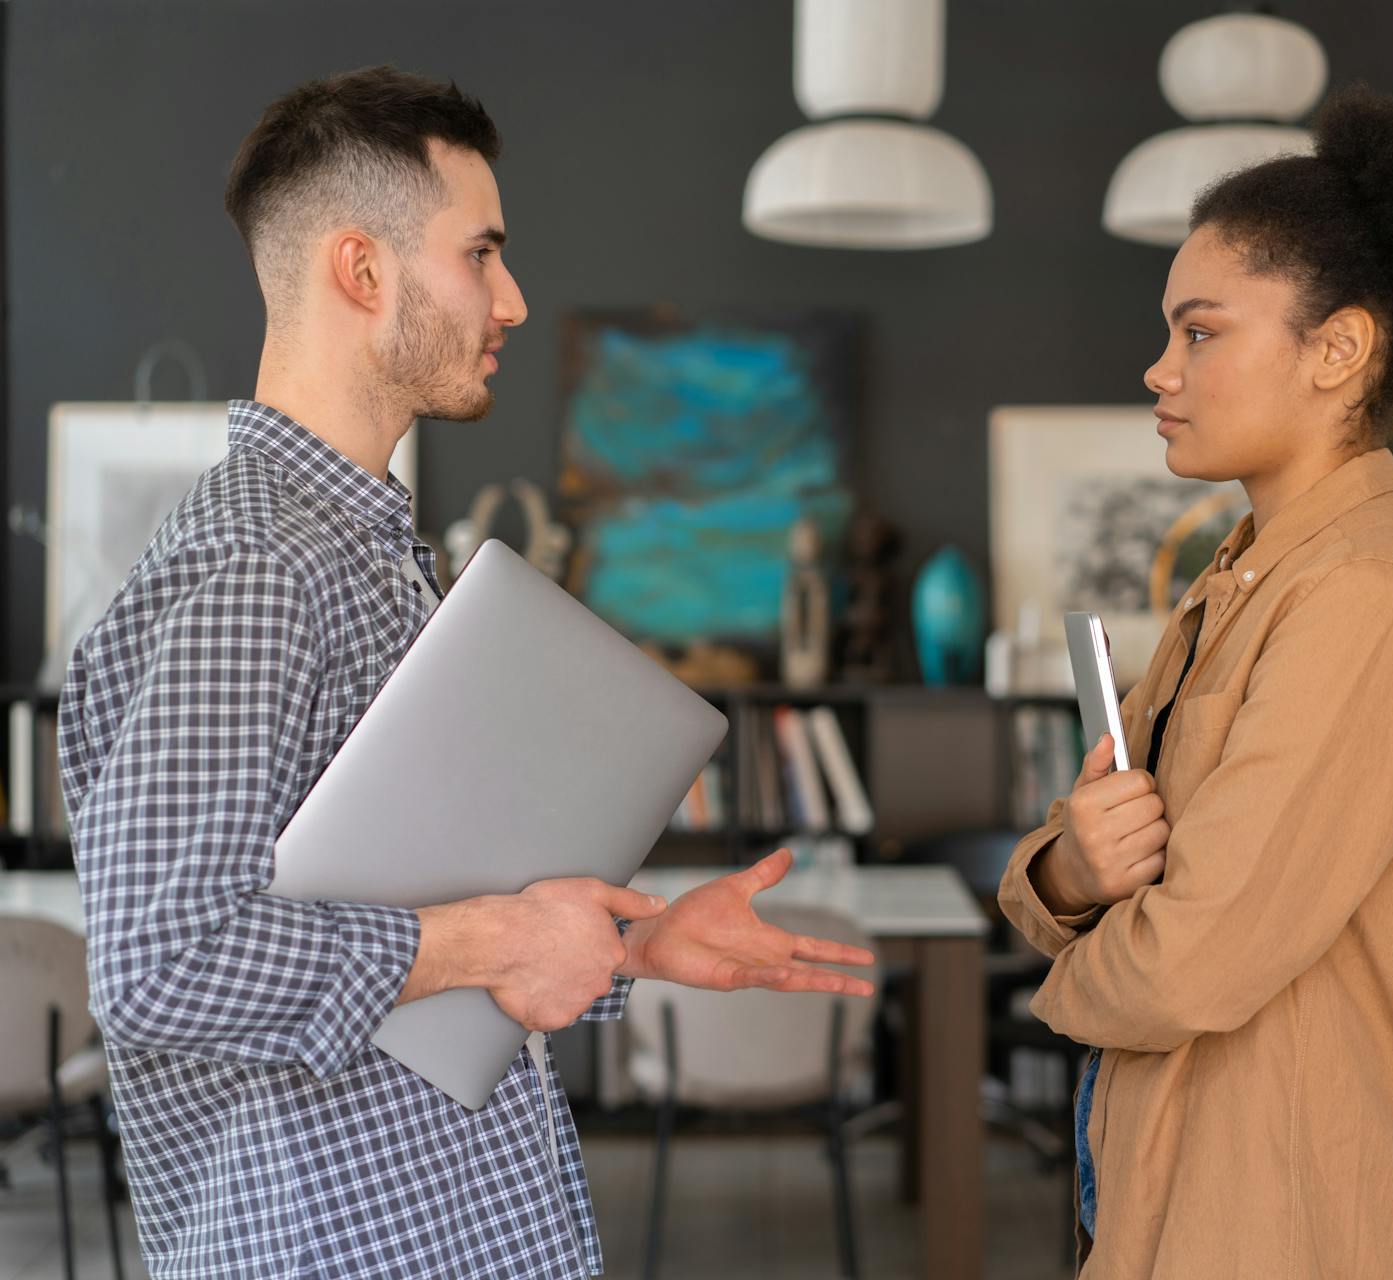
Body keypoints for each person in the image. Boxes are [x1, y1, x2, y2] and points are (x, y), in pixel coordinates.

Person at [58, 65, 873, 1279]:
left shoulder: (372, 551)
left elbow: (401, 893)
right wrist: (498, 937)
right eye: (481, 253)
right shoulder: (257, 566)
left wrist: (628, 944)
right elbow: (165, 959)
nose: (515, 299)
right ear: (362, 269)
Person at [997, 87, 1393, 1278]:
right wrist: (1073, 865)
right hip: (1171, 1179)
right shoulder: (1245, 573)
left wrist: (1057, 979)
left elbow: (1195, 955)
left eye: (1202, 331)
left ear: (1339, 348)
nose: (1160, 367)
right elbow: (1117, 863)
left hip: (1281, 1217)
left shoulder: (1371, 598)